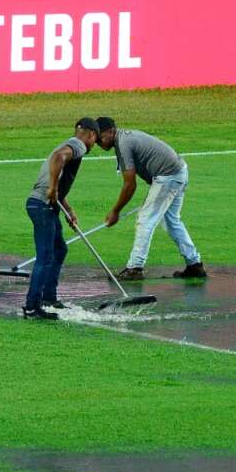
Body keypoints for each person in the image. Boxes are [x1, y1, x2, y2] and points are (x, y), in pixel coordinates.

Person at [96, 117, 206, 280]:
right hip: (179, 171)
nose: (97, 142)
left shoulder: (123, 143)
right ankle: (194, 264)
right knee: (171, 221)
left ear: (111, 131)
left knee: (145, 219)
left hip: (168, 176)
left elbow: (130, 184)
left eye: (99, 137)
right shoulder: (124, 138)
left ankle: (135, 268)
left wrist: (115, 211)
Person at [22, 118, 99, 320]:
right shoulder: (78, 144)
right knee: (45, 256)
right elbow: (58, 158)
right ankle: (32, 306)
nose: (93, 144)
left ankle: (48, 298)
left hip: (43, 204)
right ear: (91, 135)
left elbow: (56, 180)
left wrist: (68, 209)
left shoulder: (70, 143)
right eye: (95, 139)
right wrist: (53, 188)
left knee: (59, 249)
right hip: (43, 205)